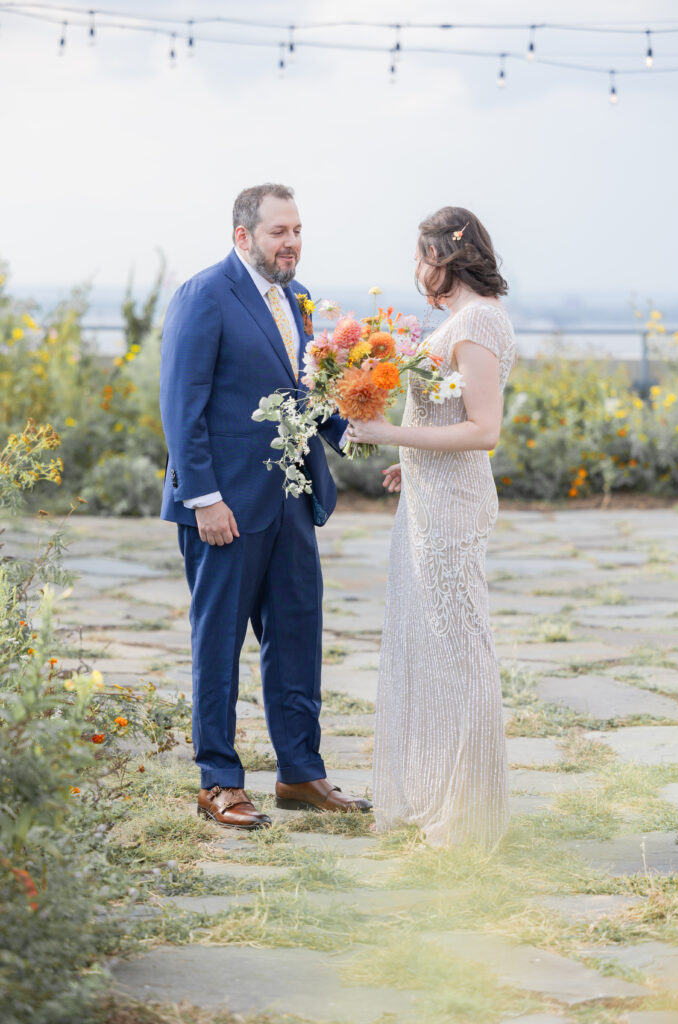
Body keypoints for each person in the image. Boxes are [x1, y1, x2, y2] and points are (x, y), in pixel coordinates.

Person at [159, 182, 371, 829]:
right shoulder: (203, 297)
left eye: (298, 230)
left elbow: (305, 392)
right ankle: (218, 781)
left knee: (298, 637)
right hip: (222, 508)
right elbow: (181, 406)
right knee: (217, 642)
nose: (292, 243)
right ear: (243, 236)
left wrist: (360, 435)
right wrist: (204, 499)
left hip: (291, 502)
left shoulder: (298, 301)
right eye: (279, 232)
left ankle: (300, 772)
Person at [346, 206, 515, 846]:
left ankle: (469, 814)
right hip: (430, 495)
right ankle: (446, 796)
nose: (416, 271)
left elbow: (484, 430)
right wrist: (409, 455)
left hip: (449, 510)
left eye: (420, 258)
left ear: (443, 257)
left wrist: (389, 431)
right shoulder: (469, 319)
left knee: (460, 651)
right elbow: (449, 425)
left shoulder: (474, 321)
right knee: (442, 647)